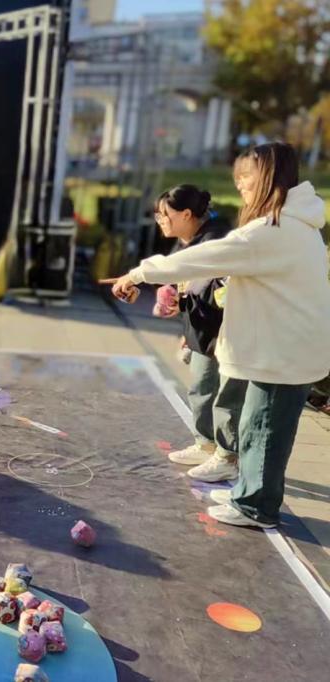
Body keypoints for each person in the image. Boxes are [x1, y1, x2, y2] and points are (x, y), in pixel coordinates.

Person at [110, 142, 330, 528]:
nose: (240, 185)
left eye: (246, 177)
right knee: (259, 427)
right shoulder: (294, 225)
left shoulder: (273, 231)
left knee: (263, 429)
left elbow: (204, 258)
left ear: (268, 177)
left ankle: (256, 507)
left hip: (282, 352)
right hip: (284, 348)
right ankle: (249, 492)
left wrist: (140, 273)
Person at [148, 185, 244, 483]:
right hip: (202, 329)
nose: (159, 220)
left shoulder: (216, 240)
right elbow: (182, 282)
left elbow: (213, 291)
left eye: (164, 215)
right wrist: (174, 298)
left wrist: (180, 298)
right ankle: (205, 445)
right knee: (201, 388)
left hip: (226, 331)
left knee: (225, 397)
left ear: (186, 214)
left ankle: (227, 457)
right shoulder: (188, 239)